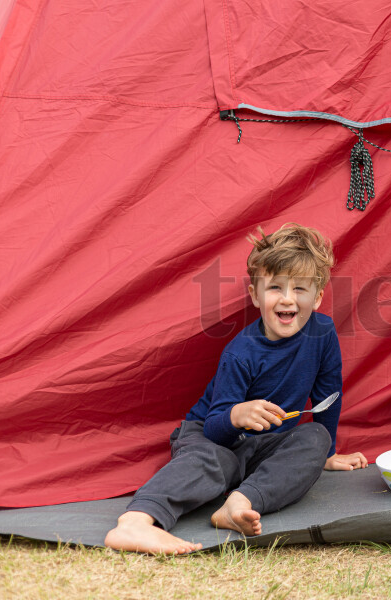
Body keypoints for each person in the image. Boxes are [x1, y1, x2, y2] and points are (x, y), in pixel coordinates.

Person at [105, 223, 367, 554]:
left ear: (316, 298)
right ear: (256, 295)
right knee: (214, 461)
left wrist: (327, 454)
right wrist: (238, 414)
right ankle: (135, 523)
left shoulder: (323, 333)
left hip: (266, 445)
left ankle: (238, 503)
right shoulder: (240, 353)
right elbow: (215, 429)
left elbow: (328, 393)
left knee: (314, 437)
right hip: (213, 435)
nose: (287, 299)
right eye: (275, 287)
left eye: (299, 289)